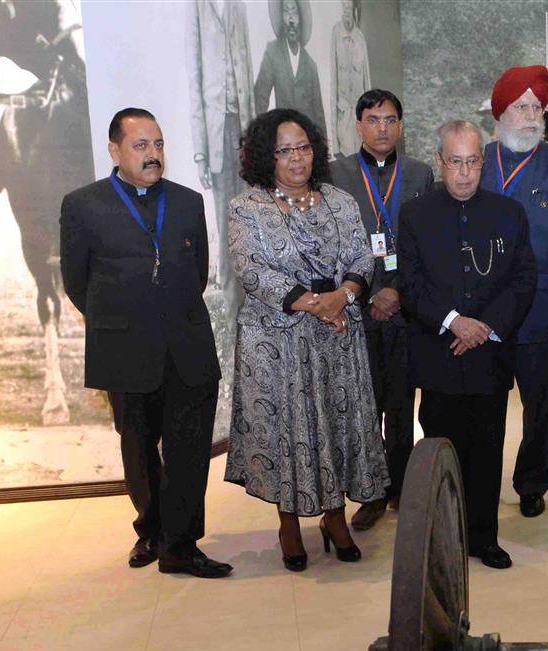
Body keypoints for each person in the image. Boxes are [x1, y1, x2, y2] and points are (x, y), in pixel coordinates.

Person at [59, 108, 231, 578]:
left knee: (189, 451)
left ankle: (181, 545)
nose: (152, 154)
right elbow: (77, 283)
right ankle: (150, 530)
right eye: (141, 146)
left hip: (186, 346)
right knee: (138, 448)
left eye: (157, 145)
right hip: (125, 349)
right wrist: (123, 320)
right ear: (115, 150)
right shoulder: (83, 205)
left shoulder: (187, 202)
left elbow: (196, 275)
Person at [225, 108, 387, 570]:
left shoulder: (340, 200)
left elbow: (362, 254)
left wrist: (344, 296)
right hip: (279, 343)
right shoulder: (246, 207)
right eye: (284, 150)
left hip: (337, 338)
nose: (296, 159)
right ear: (266, 156)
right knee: (290, 432)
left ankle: (336, 518)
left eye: (303, 147)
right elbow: (252, 270)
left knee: (336, 428)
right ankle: (289, 524)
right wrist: (315, 303)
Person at [398, 121, 536, 568]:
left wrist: (486, 326)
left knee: (487, 448)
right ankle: (444, 539)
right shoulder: (415, 215)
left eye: (472, 161)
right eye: (454, 162)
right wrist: (455, 322)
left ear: (483, 161)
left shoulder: (508, 213)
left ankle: (484, 536)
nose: (463, 173)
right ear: (440, 161)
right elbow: (411, 283)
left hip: (489, 355)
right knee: (440, 452)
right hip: (438, 356)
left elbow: (523, 279)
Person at [480, 65, 548, 519]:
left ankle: (531, 481)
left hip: (540, 309)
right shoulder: (477, 159)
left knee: (539, 404)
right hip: (481, 311)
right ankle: (480, 480)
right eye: (520, 106)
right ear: (500, 112)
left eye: (537, 107)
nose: (529, 115)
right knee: (484, 405)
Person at [329, 89, 434, 531]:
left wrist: (395, 293)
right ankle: (370, 491)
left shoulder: (419, 174)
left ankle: (401, 489)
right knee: (364, 404)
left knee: (401, 403)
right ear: (358, 125)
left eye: (390, 120)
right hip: (357, 308)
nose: (382, 128)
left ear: (401, 125)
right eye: (373, 120)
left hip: (406, 309)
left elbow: (426, 246)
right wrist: (370, 292)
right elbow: (332, 244)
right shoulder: (337, 175)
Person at [186, 0, 254, 299]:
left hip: (243, 130)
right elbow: (195, 81)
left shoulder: (237, 6)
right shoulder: (196, 7)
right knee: (227, 223)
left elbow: (247, 68)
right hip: (217, 136)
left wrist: (254, 137)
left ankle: (254, 295)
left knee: (252, 218)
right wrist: (200, 153)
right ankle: (230, 303)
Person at [253, 0, 327, 144]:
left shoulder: (311, 66)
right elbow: (260, 101)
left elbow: (319, 117)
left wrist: (322, 152)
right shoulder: (272, 53)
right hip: (282, 142)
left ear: (301, 19)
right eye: (287, 12)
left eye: (294, 12)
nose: (291, 19)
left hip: (305, 144)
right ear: (281, 17)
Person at [330, 0, 370, 159]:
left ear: (354, 8)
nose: (346, 10)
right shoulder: (336, 34)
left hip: (360, 122)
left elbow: (367, 85)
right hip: (343, 121)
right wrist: (335, 142)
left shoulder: (360, 38)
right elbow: (333, 86)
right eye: (343, 6)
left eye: (349, 6)